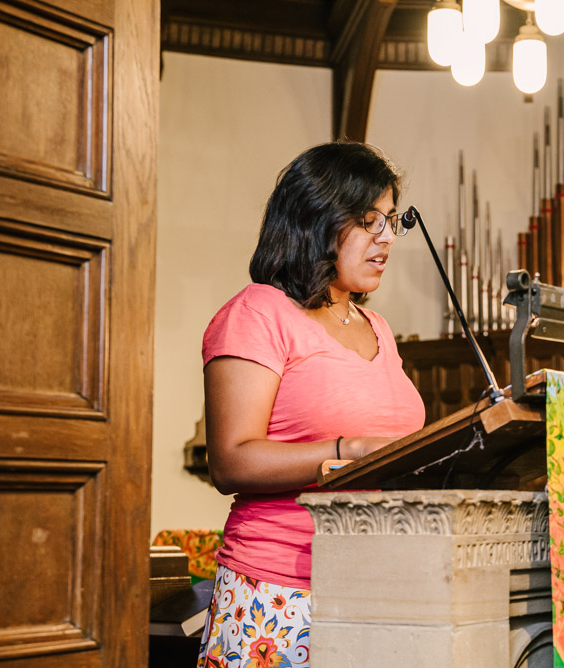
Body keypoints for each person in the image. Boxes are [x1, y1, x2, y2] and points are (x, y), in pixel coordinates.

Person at [196, 142, 426, 667]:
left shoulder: (378, 328)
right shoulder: (258, 312)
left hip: (377, 589)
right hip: (279, 592)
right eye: (370, 221)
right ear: (317, 218)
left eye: (391, 221)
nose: (387, 238)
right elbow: (230, 461)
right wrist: (352, 449)